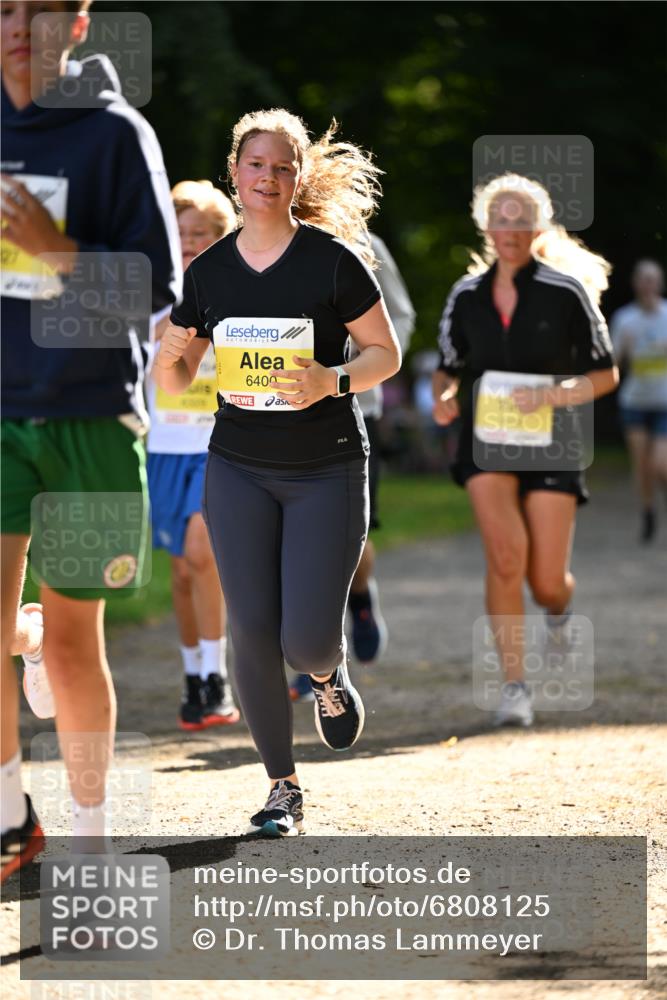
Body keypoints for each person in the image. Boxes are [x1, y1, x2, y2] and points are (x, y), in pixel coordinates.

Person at [154, 108, 401, 836]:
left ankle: (327, 677)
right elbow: (177, 383)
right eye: (256, 165)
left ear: (298, 178)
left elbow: (382, 354)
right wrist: (172, 347)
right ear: (234, 172)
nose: (268, 178)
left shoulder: (330, 261)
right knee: (251, 630)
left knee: (306, 641)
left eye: (282, 167)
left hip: (325, 468)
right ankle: (281, 788)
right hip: (238, 467)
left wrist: (332, 381)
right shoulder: (210, 271)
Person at [1, 0, 180, 880]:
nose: (17, 27)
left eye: (37, 12)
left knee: (72, 642)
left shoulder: (113, 135)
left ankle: (94, 837)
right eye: (3, 9)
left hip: (90, 411)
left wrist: (54, 249)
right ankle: (7, 823)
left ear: (75, 27)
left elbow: (154, 286)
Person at [432, 173, 618, 728]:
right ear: (487, 226)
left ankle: (558, 610)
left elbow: (604, 373)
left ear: (538, 228)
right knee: (505, 556)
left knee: (545, 579)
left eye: (521, 220)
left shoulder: (566, 291)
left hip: (554, 441)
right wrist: (444, 397)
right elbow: (448, 366)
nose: (510, 229)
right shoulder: (466, 295)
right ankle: (515, 686)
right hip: (487, 440)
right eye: (501, 219)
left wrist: (555, 394)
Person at [289, 232, 415, 700]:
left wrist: (359, 360)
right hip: (282, 409)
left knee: (344, 540)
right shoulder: (258, 244)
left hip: (356, 407)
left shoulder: (363, 244)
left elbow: (399, 316)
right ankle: (312, 655)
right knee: (293, 542)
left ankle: (360, 598)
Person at [146, 180, 240, 730]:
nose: (189, 244)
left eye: (200, 234)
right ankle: (193, 677)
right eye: (180, 234)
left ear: (219, 237)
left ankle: (217, 674)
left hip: (216, 443)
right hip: (162, 446)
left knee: (204, 555)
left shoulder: (234, 290)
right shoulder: (153, 294)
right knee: (180, 570)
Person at [610, 260, 667, 542]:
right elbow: (614, 364)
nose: (648, 285)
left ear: (660, 283)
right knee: (642, 465)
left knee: (661, 464)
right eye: (643, 279)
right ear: (636, 283)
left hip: (664, 403)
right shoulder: (624, 319)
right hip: (634, 401)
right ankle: (648, 512)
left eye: (653, 279)